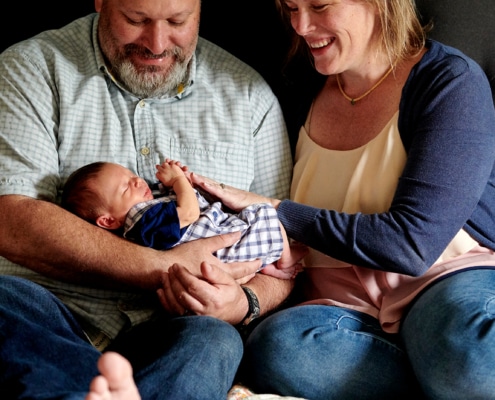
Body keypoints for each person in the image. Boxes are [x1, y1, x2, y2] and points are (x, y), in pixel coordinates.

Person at [187, 0, 495, 398]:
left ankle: (449, 369)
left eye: (319, 5)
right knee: (278, 348)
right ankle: (437, 377)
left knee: (471, 356)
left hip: (438, 282)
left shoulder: (449, 82)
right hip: (338, 308)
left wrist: (280, 212)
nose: (300, 25)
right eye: (290, 7)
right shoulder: (297, 87)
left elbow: (411, 244)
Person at [0, 0, 299, 398]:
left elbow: (285, 249)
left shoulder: (249, 98)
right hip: (55, 314)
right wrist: (163, 266)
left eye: (177, 21)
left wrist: (245, 301)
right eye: (135, 20)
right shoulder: (32, 68)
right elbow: (12, 219)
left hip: (178, 329)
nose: (157, 44)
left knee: (214, 340)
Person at [62, 159, 300, 280]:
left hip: (225, 243)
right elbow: (188, 213)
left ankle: (271, 267)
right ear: (108, 221)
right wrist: (179, 182)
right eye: (125, 188)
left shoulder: (144, 206)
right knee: (265, 212)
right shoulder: (142, 220)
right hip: (225, 249)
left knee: (258, 224)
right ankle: (286, 262)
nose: (136, 182)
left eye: (131, 175)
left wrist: (178, 176)